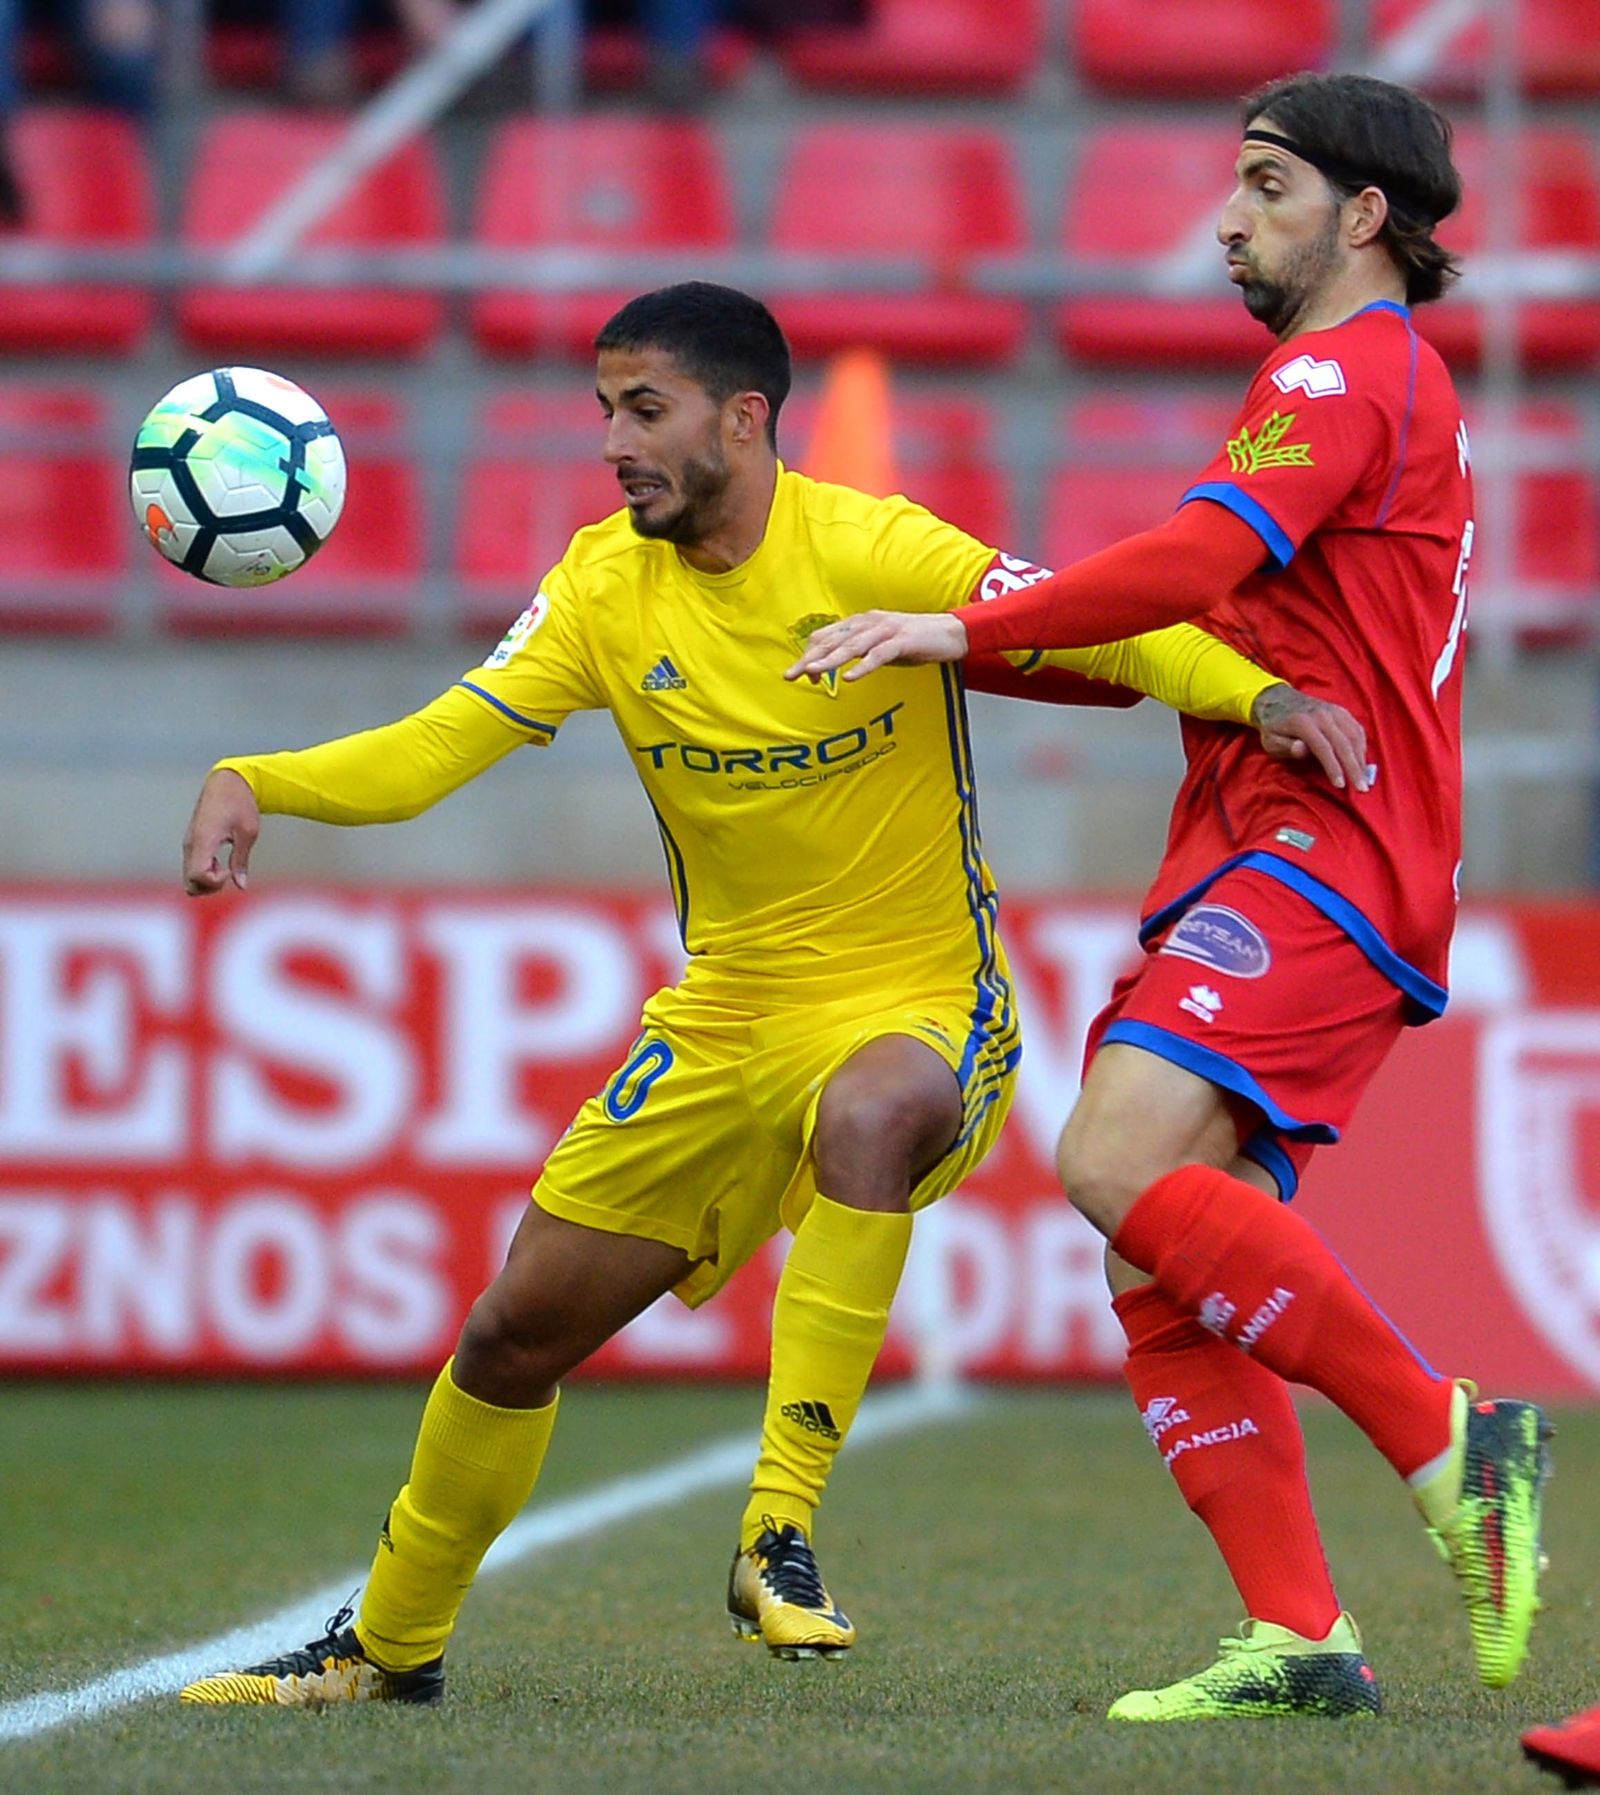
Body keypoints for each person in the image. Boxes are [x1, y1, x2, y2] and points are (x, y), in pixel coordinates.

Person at [174, 280, 1361, 1707]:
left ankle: (781, 1525)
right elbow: (436, 749)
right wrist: (262, 782)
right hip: (726, 1016)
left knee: (872, 1113)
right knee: (511, 1335)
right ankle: (390, 1645)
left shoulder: (874, 546)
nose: (615, 442)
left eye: (645, 410)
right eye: (605, 410)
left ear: (747, 420)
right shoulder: (603, 586)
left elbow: (1090, 628)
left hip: (925, 998)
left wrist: (1253, 696)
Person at [789, 73, 1553, 1720]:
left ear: (1365, 215)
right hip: (1274, 836)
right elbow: (1182, 638)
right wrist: (1004, 648)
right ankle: (1300, 1639)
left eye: (1267, 186)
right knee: (1168, 1257)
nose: (1227, 219)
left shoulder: (1346, 371)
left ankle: (1453, 1440)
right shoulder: (1347, 380)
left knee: (1114, 1157)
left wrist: (960, 630)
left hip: (1325, 844)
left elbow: (1192, 561)